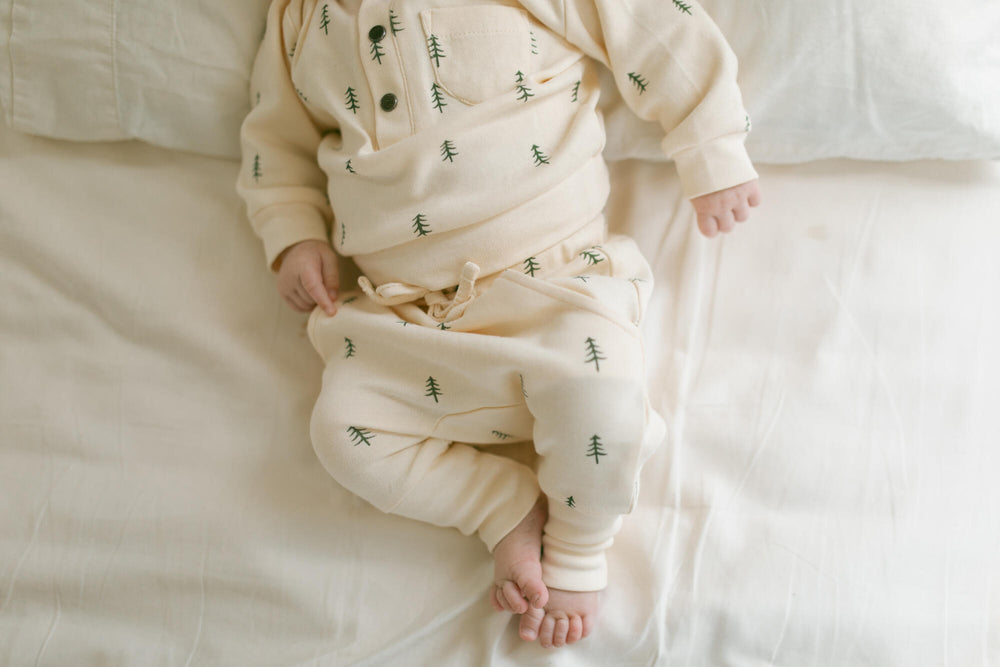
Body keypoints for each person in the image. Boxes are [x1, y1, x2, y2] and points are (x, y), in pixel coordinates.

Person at [238, 0, 760, 649]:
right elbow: (273, 144)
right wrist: (293, 232)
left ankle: (577, 547)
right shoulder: (299, 21)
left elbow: (654, 26)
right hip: (408, 320)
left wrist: (711, 147)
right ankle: (500, 505)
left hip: (556, 289)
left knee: (603, 395)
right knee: (341, 431)